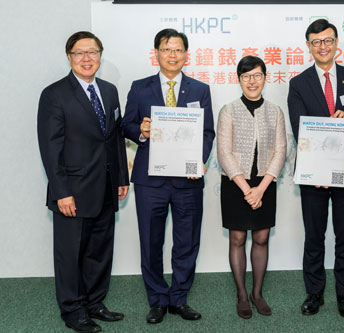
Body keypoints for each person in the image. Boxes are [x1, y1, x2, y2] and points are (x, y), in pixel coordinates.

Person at [37, 31, 129, 333]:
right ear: (69, 57)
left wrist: (121, 177)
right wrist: (61, 191)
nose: (87, 58)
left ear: (100, 55)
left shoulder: (110, 90)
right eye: (80, 53)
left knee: (100, 251)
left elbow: (114, 138)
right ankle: (73, 310)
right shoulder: (54, 94)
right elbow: (50, 148)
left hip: (105, 187)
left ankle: (95, 303)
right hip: (72, 192)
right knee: (71, 254)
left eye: (93, 52)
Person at [121, 28, 215, 324]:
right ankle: (158, 299)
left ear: (186, 55)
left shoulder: (200, 89)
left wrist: (196, 161)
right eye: (166, 49)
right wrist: (142, 132)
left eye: (178, 50)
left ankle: (179, 298)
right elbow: (126, 126)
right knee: (151, 241)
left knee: (186, 241)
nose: (172, 55)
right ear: (156, 53)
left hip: (187, 181)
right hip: (151, 181)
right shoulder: (140, 88)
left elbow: (208, 132)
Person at [287, 19, 344, 318]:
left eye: (328, 40)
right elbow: (300, 128)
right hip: (313, 174)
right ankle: (314, 293)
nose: (323, 46)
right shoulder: (298, 83)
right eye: (316, 42)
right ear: (308, 46)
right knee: (314, 236)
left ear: (336, 43)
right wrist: (319, 170)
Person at [217, 56, 286, 319]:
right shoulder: (228, 110)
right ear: (239, 79)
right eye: (246, 76)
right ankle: (242, 294)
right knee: (237, 238)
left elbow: (280, 151)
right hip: (237, 183)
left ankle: (257, 293)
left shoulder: (275, 111)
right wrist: (247, 189)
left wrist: (261, 188)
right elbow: (224, 153)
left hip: (265, 183)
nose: (252, 81)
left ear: (265, 77)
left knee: (261, 238)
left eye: (257, 75)